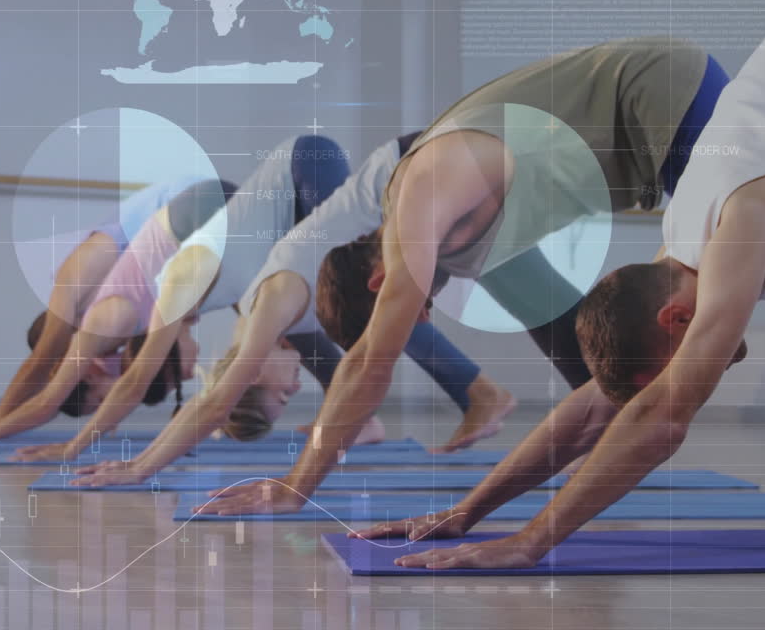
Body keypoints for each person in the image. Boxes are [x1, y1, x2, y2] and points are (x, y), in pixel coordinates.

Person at [352, 0, 765, 570]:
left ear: (673, 319)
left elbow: (662, 419)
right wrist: (467, 513)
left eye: (667, 368)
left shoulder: (737, 232)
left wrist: (530, 542)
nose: (685, 379)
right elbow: (594, 412)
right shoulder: (688, 239)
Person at [193, 35, 728, 516]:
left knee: (730, 308)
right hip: (655, 134)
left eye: (416, 311)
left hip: (663, 95)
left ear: (382, 284)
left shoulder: (421, 207)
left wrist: (295, 488)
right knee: (657, 342)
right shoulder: (460, 243)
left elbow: (368, 364)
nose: (426, 316)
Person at [64, 134, 519, 487]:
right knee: (364, 315)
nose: (293, 389)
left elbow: (208, 401)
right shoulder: (273, 309)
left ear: (254, 372)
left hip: (316, 165)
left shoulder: (250, 301)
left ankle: (477, 389)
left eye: (283, 396)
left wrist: (133, 465)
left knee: (376, 309)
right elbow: (227, 397)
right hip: (374, 182)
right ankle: (445, 401)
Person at [8, 135, 381, 463]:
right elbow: (177, 393)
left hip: (231, 196)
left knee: (371, 302)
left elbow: (133, 383)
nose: (297, 388)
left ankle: (361, 415)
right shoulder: (246, 298)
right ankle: (360, 415)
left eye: (283, 394)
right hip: (230, 216)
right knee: (350, 304)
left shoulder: (108, 309)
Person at [0, 178, 233, 449]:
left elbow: (42, 372)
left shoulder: (76, 290)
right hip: (198, 215)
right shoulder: (110, 332)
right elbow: (76, 388)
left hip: (195, 202)